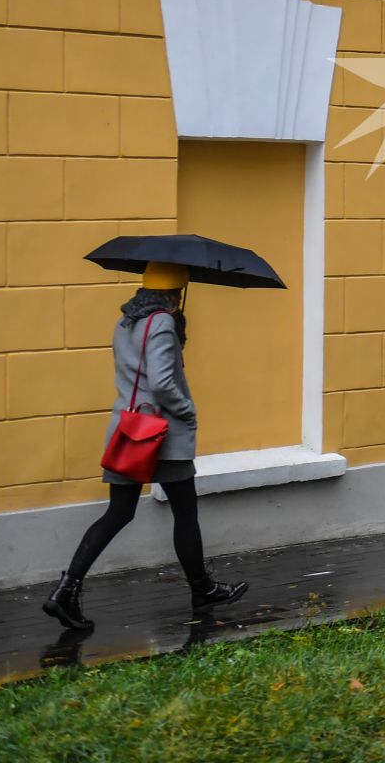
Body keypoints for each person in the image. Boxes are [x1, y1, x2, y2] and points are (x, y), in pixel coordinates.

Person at [43, 261, 247, 630]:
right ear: (174, 293)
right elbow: (163, 383)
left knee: (118, 513)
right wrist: (188, 413)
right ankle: (202, 589)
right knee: (186, 513)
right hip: (160, 436)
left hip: (128, 432)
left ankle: (65, 590)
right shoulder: (163, 323)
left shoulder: (126, 322)